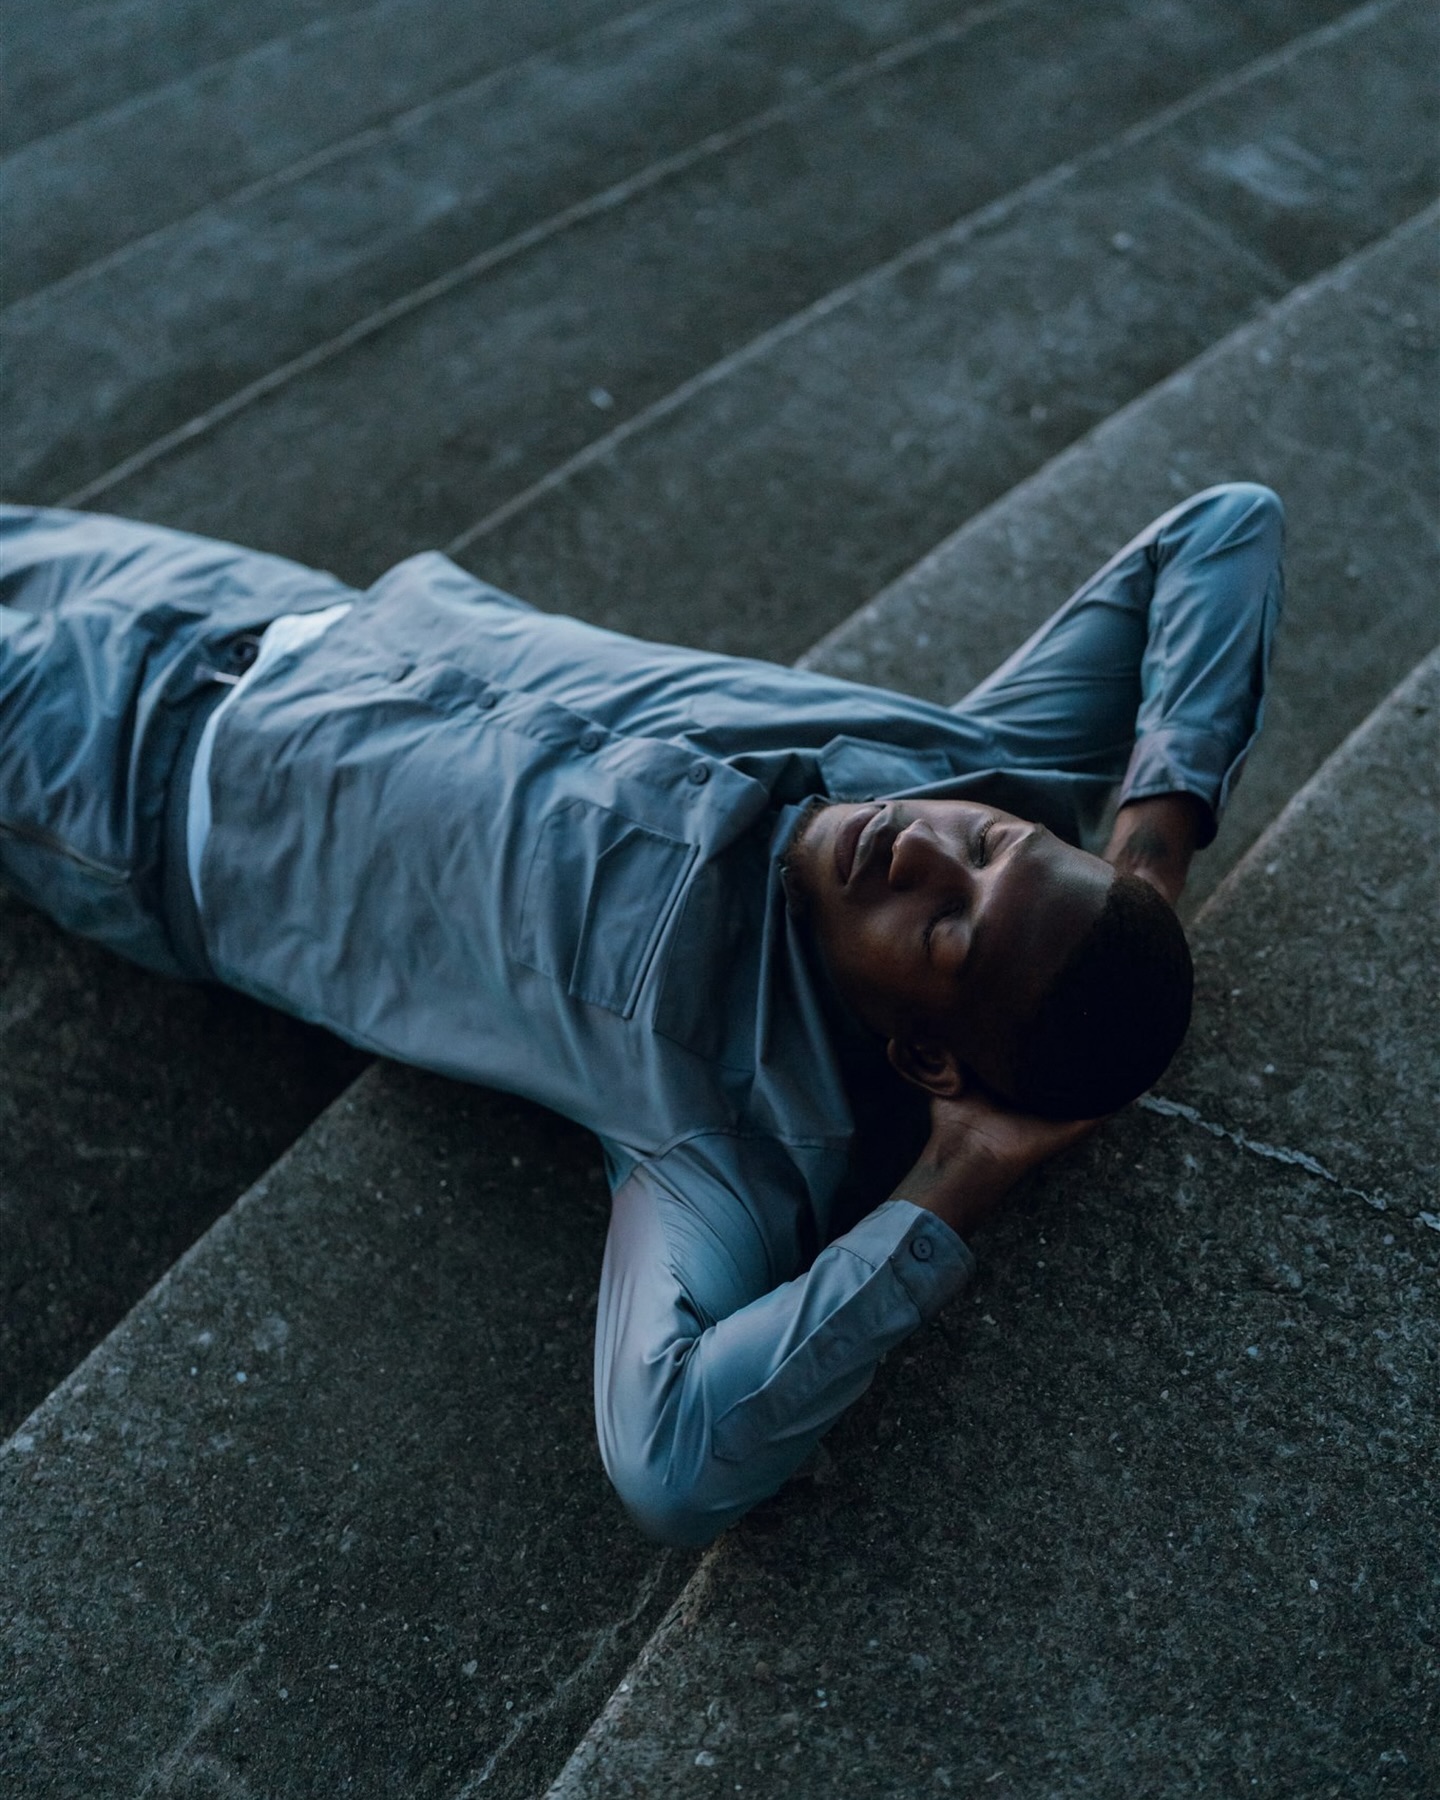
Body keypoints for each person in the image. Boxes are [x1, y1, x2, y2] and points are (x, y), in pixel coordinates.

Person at [0, 484, 1283, 1545]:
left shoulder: (722, 1124)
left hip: (119, 782)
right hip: (268, 607)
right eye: (993, 845)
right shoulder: (954, 766)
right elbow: (1224, 527)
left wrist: (945, 1190)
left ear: (931, 1054)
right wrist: (1148, 867)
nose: (924, 852)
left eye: (948, 932)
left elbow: (672, 1458)